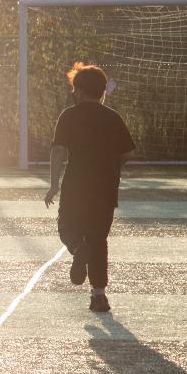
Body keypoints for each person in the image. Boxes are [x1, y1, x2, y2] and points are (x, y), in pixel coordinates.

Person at [44, 63, 135, 313]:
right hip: (105, 189)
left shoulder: (69, 116)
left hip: (76, 185)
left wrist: (54, 185)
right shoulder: (112, 117)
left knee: (66, 227)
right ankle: (99, 296)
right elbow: (127, 152)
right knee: (99, 240)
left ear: (80, 92)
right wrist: (110, 163)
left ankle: (76, 247)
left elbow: (58, 151)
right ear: (103, 92)